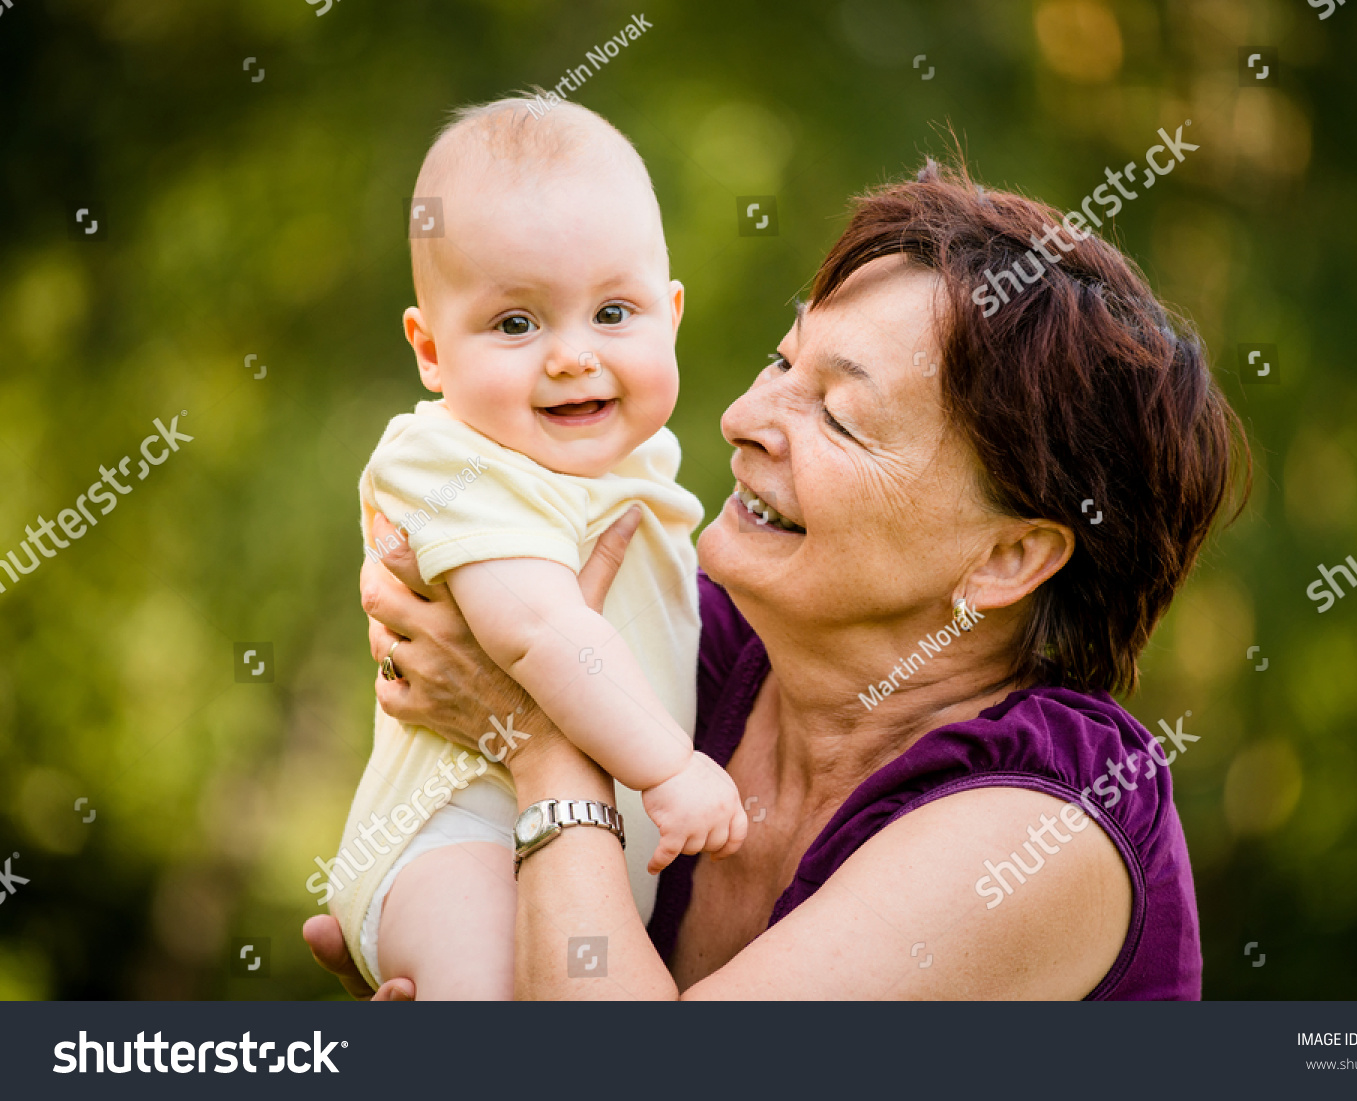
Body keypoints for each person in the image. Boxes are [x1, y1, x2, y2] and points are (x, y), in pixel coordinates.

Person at [307, 156, 1249, 1000]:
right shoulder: (696, 647)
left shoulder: (1045, 826)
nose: (744, 417)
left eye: (838, 416)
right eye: (781, 359)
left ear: (1007, 557)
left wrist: (546, 743)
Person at [327, 97, 745, 1000]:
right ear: (431, 350)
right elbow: (539, 632)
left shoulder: (637, 461)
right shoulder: (451, 459)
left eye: (614, 311)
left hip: (571, 851)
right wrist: (670, 768)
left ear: (671, 314)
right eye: (516, 324)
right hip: (456, 842)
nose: (571, 356)